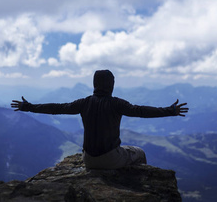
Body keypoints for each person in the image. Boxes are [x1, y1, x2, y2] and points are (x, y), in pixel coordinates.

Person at [11, 69, 188, 169]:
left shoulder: (84, 102)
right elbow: (140, 111)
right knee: (139, 152)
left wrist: (29, 107)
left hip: (88, 159)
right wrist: (170, 110)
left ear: (95, 85)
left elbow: (57, 108)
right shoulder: (116, 103)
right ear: (111, 85)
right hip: (111, 159)